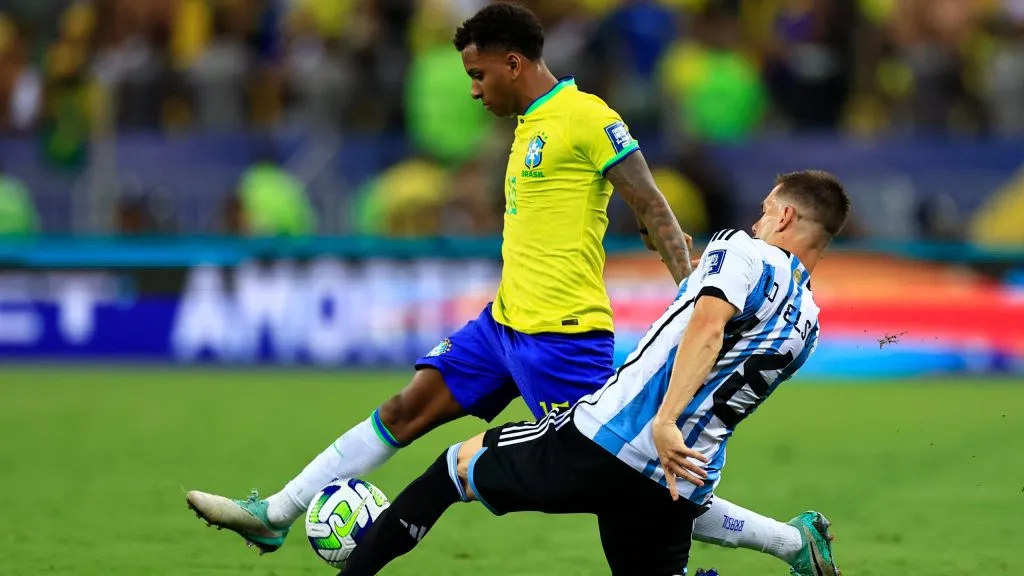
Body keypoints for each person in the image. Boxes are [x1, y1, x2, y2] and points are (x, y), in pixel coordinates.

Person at [185, 5, 828, 574]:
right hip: (501, 327)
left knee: (633, 477)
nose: (472, 89)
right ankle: (278, 511)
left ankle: (785, 543)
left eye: (479, 75)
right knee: (406, 409)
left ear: (514, 63)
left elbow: (653, 207)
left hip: (563, 339)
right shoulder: (525, 124)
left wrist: (696, 296)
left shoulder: (586, 116)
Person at [332, 171, 850, 576]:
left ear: (784, 216)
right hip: (677, 481)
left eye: (764, 212)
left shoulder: (744, 250)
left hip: (610, 439)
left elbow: (708, 329)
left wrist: (665, 418)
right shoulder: (807, 324)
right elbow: (721, 335)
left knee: (450, 471)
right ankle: (792, 544)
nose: (757, 221)